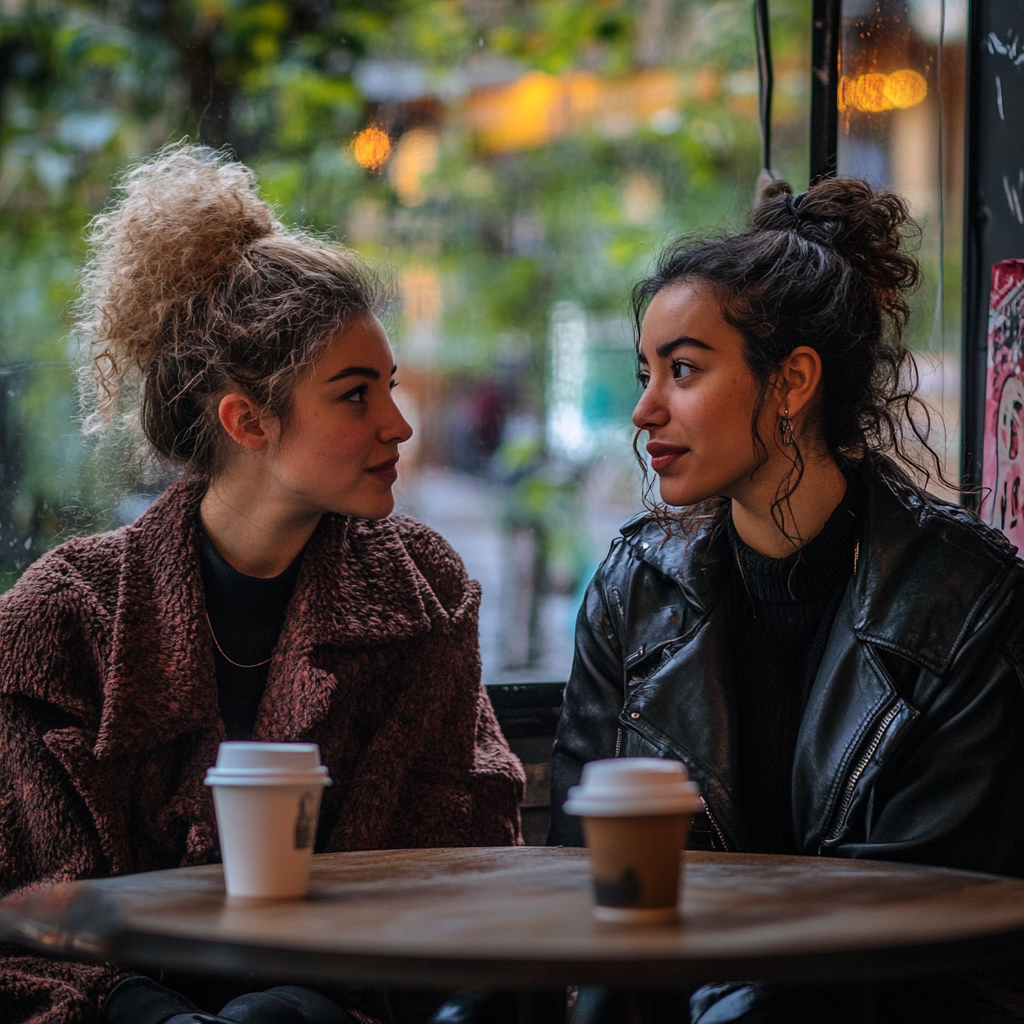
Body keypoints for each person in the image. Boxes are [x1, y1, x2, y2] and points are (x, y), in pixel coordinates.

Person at [0, 145, 524, 1024]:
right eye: (356, 395)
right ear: (246, 419)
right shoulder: (62, 623)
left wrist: (304, 1005)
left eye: (390, 387)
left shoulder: (420, 591)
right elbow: (23, 909)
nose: (399, 423)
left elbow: (467, 858)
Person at [549, 178, 1024, 1023]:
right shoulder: (633, 587)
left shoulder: (965, 598)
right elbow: (580, 864)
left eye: (683, 370)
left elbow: (927, 914)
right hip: (684, 991)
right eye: (646, 372)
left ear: (792, 382)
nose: (643, 410)